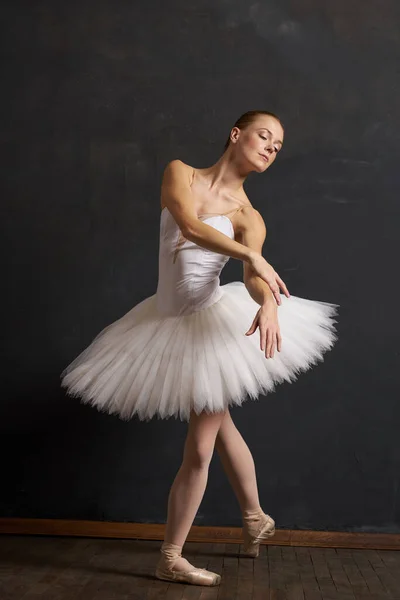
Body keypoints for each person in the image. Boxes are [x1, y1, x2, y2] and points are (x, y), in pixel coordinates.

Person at [60, 110, 339, 587]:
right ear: (237, 134)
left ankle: (170, 555)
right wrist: (251, 255)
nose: (272, 147)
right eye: (264, 136)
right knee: (220, 418)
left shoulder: (250, 216)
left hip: (210, 327)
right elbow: (188, 225)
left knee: (202, 446)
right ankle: (254, 517)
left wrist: (268, 303)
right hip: (164, 319)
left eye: (279, 144)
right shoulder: (180, 173)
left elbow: (253, 280)